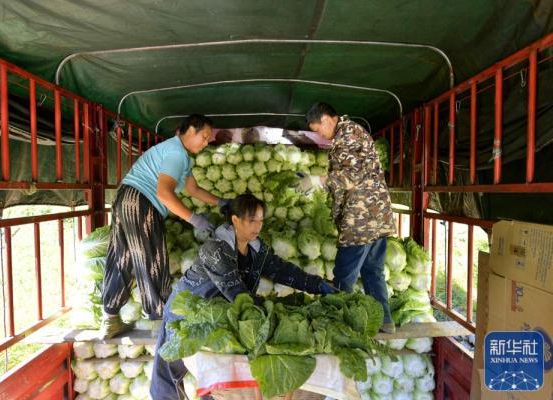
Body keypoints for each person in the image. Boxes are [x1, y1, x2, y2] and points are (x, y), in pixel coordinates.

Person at [151, 193, 337, 399]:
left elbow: (282, 270)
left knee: (214, 379)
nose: (257, 226)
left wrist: (317, 284)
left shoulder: (257, 249)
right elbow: (236, 293)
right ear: (235, 220)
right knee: (169, 378)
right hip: (185, 315)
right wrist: (270, 310)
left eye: (260, 220)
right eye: (251, 220)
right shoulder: (215, 250)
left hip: (217, 317)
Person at [100, 114, 229, 339]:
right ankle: (160, 325)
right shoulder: (176, 153)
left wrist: (221, 202)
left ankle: (110, 320)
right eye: (205, 136)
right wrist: (194, 219)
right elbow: (163, 193)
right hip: (142, 201)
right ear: (190, 131)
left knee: (122, 256)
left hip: (125, 198)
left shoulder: (183, 158)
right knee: (152, 258)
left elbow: (193, 190)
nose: (207, 142)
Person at [296, 102, 397, 334]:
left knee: (344, 276)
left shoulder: (347, 134)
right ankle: (384, 321)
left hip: (361, 219)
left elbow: (352, 174)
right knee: (373, 271)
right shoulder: (351, 132)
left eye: (318, 129)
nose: (319, 134)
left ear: (327, 119)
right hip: (376, 216)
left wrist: (318, 181)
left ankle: (340, 324)